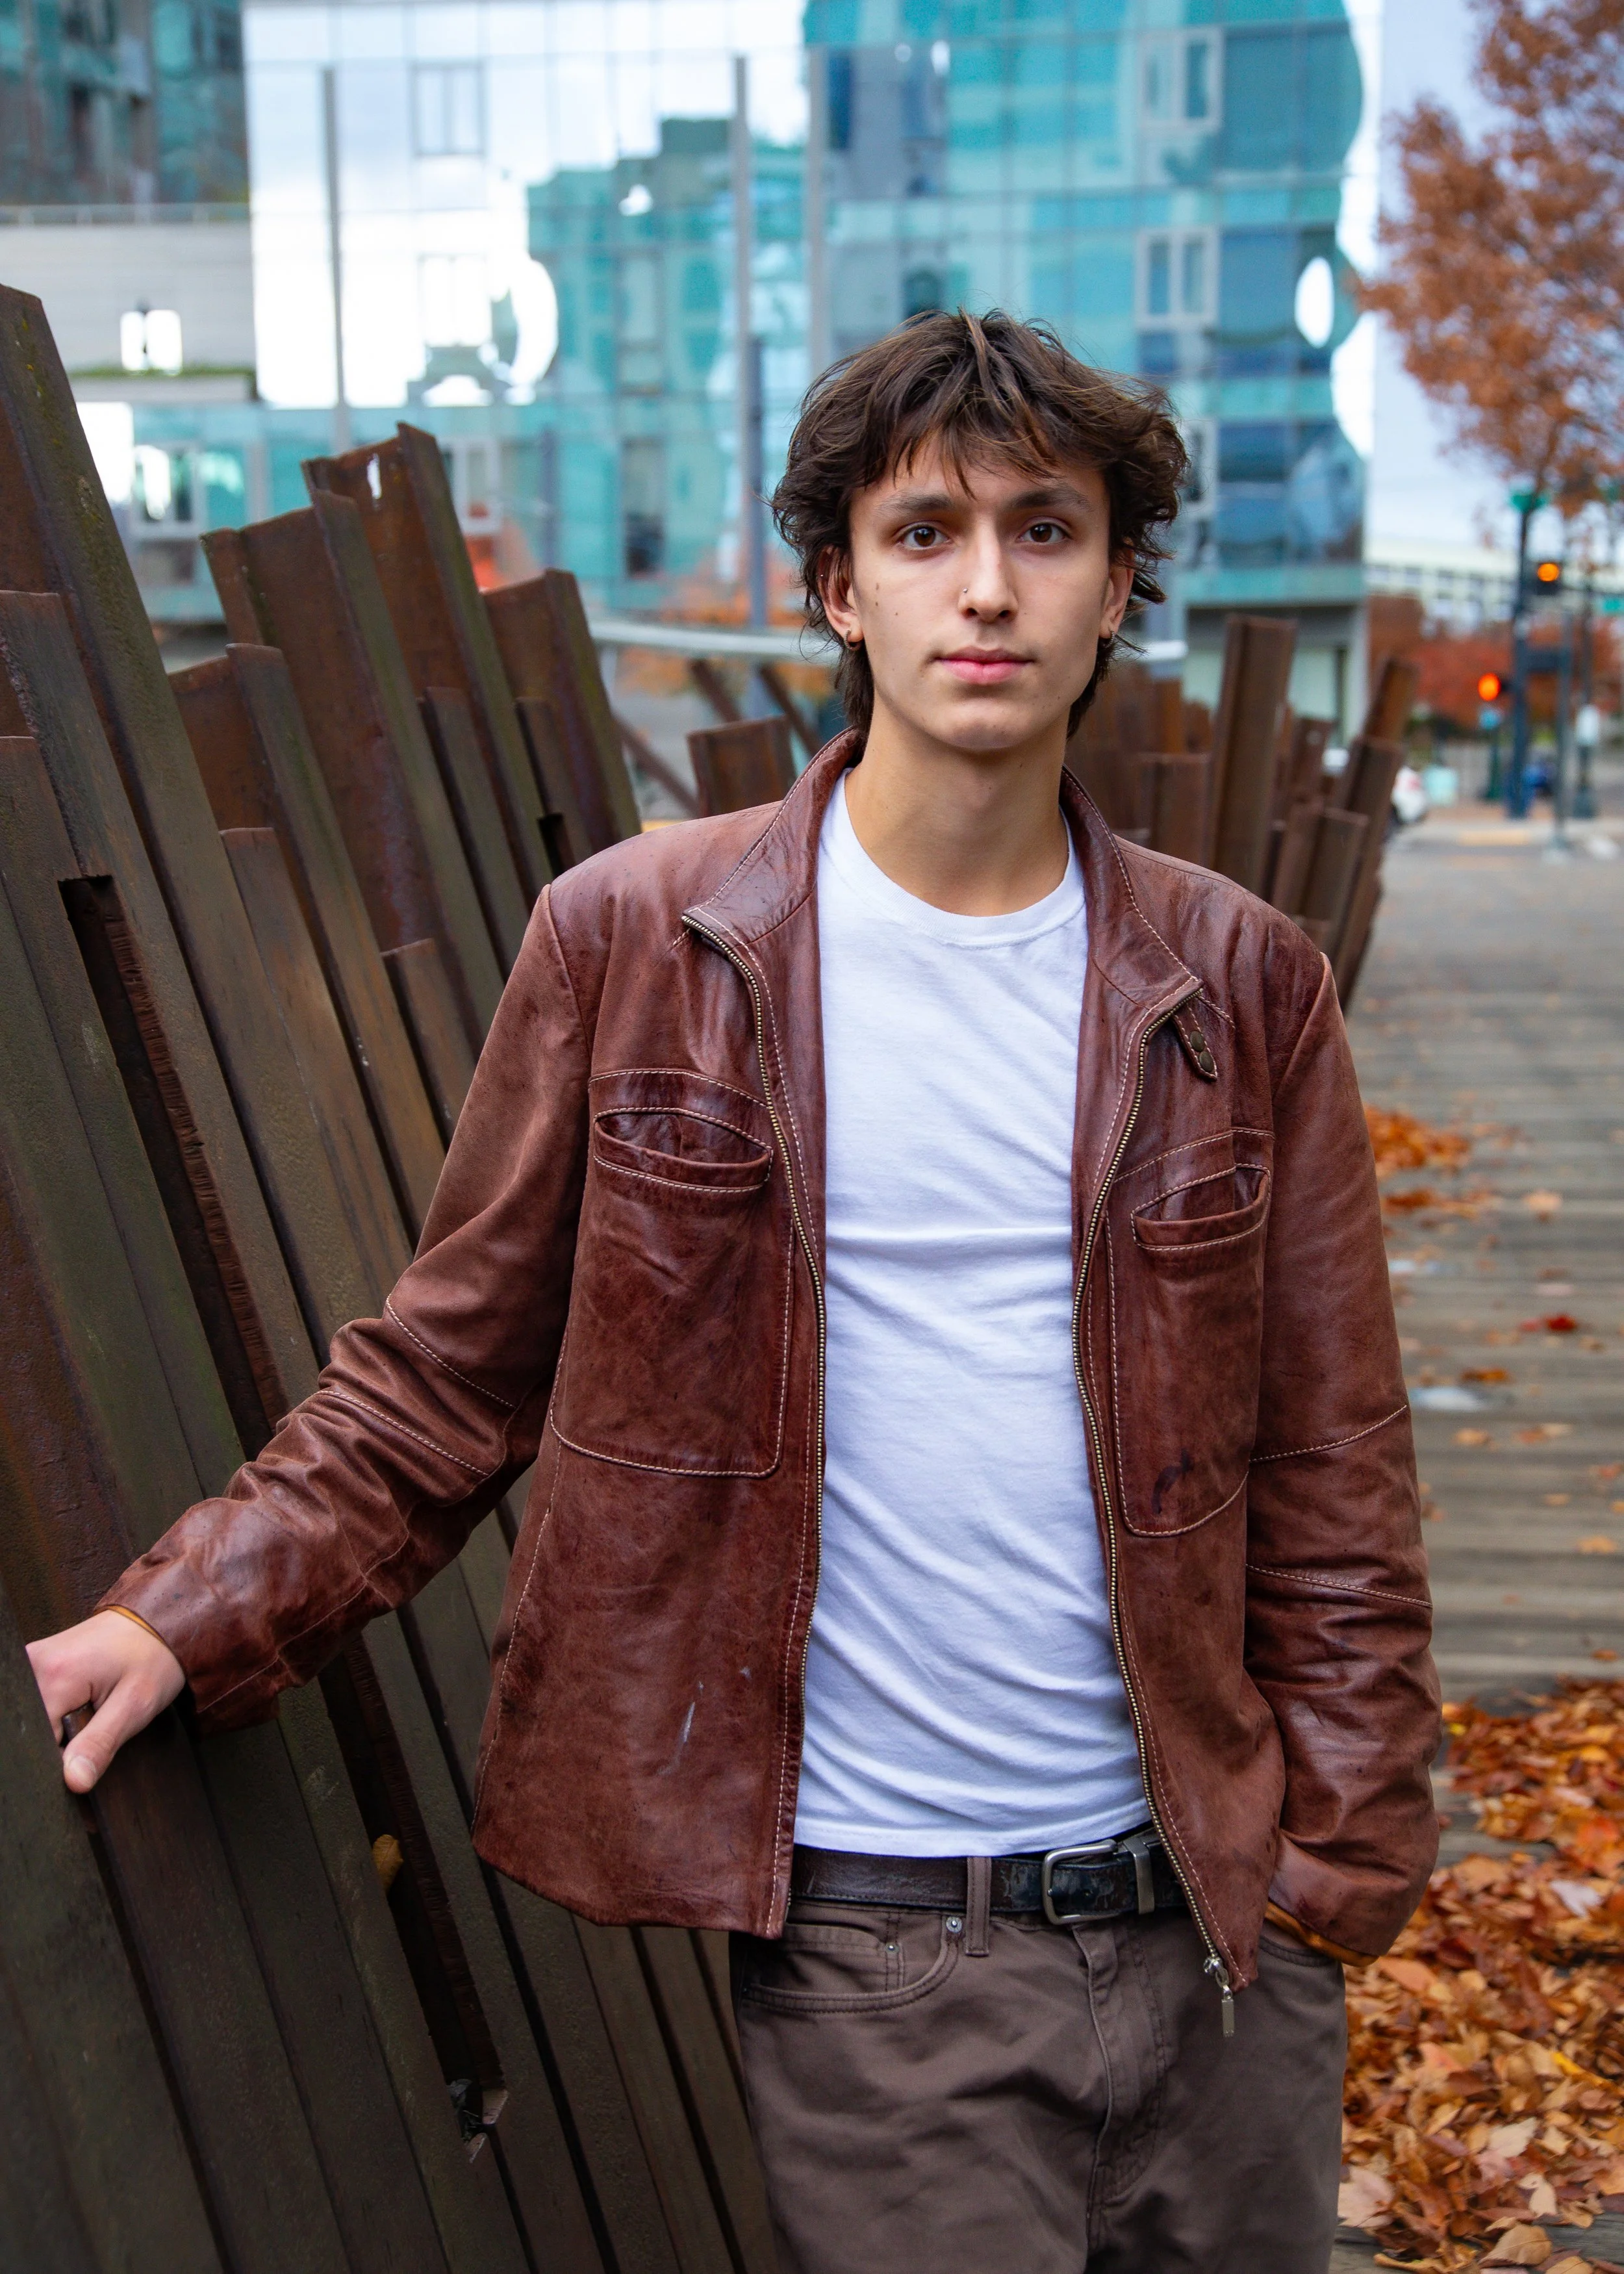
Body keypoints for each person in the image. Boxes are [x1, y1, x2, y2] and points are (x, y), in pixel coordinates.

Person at [28, 310, 1439, 2272]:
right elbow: (446, 1373)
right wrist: (185, 1614)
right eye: (924, 530)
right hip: (879, 1950)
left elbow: (1335, 1460)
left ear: (1119, 582)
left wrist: (1328, 1878)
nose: (983, 586)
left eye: (1044, 532)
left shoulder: (1236, 980)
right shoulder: (638, 942)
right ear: (833, 585)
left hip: (1213, 1934)